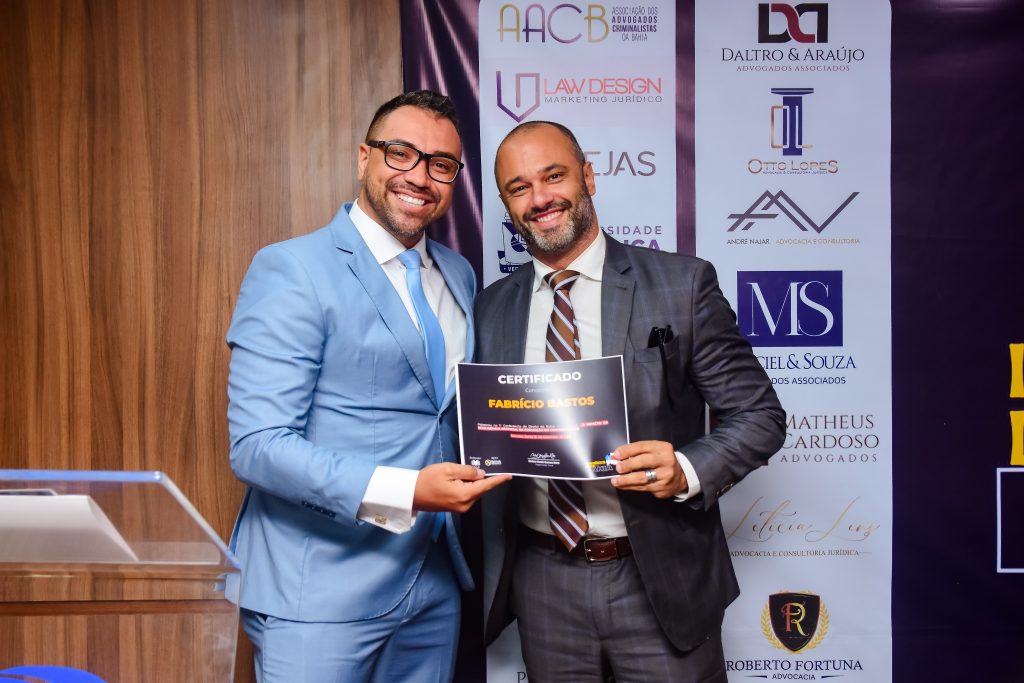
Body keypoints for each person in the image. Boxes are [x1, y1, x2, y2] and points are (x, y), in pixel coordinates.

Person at [474, 121, 786, 682]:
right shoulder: (490, 307)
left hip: (657, 573)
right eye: (519, 188)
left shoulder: (681, 284)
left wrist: (687, 467)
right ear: (506, 204)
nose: (540, 198)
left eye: (553, 176)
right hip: (543, 579)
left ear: (588, 177)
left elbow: (760, 415)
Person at [225, 90, 510, 683]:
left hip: (432, 583)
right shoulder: (293, 269)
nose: (420, 177)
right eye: (401, 153)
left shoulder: (457, 273)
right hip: (318, 590)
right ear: (364, 158)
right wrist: (410, 490)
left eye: (441, 164)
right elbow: (258, 446)